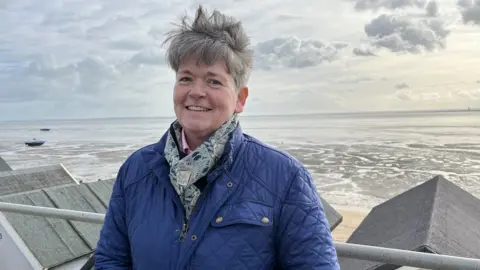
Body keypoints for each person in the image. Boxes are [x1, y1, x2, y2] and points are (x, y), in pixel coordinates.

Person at [95, 5, 339, 270]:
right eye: (186, 78)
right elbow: (111, 260)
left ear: (240, 98)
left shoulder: (285, 177)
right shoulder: (136, 170)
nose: (196, 92)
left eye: (213, 81)